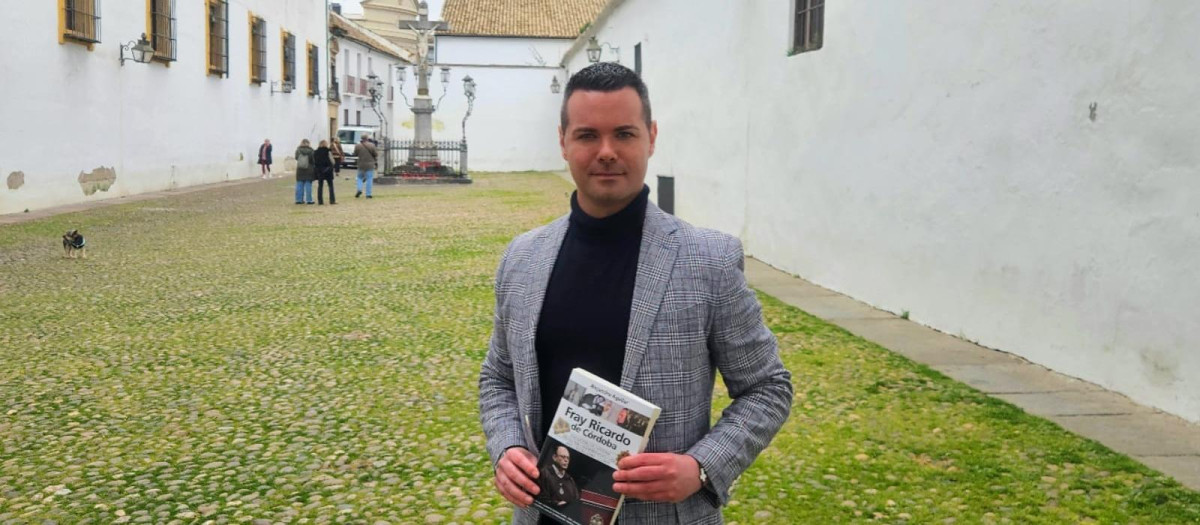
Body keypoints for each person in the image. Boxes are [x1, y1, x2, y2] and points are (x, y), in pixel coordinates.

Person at [479, 62, 793, 525]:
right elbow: (498, 379)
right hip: (542, 515)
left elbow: (768, 388)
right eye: (587, 135)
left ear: (651, 137)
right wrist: (506, 447)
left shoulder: (709, 259)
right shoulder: (522, 258)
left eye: (624, 134)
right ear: (563, 141)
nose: (606, 152)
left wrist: (702, 467)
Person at [536, 446, 579, 512]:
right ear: (554, 457)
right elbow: (539, 496)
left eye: (568, 458)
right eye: (563, 457)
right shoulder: (544, 473)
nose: (566, 460)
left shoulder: (570, 479)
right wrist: (556, 504)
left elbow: (576, 500)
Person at [354, 134, 377, 199]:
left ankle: (359, 189)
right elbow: (376, 154)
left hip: (361, 164)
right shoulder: (372, 145)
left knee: (359, 177)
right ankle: (368, 194)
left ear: (361, 138)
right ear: (367, 138)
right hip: (370, 164)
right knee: (369, 179)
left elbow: (355, 153)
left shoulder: (358, 146)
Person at [314, 140, 336, 205]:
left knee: (320, 186)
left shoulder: (315, 152)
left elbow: (314, 161)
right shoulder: (328, 151)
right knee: (330, 186)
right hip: (328, 170)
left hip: (320, 170)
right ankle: (332, 200)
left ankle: (320, 201)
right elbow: (332, 161)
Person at [294, 139, 316, 205]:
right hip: (309, 169)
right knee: (308, 185)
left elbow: (296, 158)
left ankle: (299, 199)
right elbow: (313, 160)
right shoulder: (311, 151)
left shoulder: (298, 150)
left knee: (299, 184)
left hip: (300, 169)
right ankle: (309, 200)